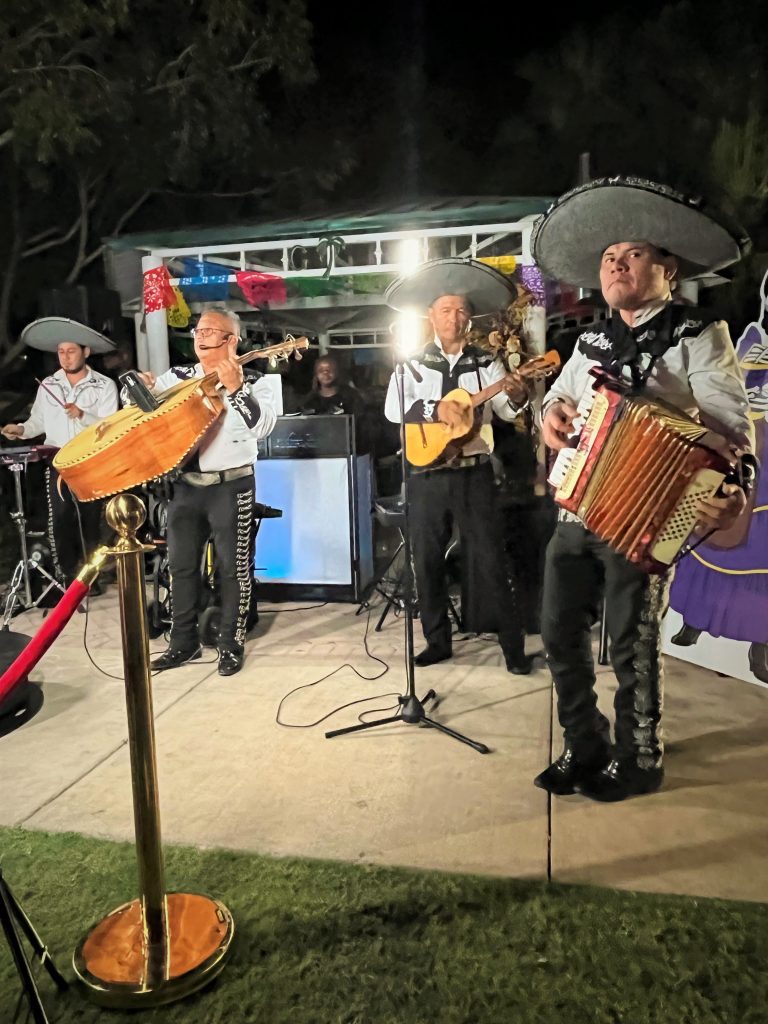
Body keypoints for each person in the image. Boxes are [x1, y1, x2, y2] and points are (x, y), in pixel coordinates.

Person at [531, 176, 756, 802]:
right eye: (609, 257)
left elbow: (731, 426)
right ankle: (584, 744)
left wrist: (734, 483)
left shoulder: (699, 332)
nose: (616, 265)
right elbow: (558, 400)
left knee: (634, 642)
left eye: (632, 254)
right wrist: (551, 417)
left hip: (648, 512)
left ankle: (639, 756)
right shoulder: (591, 340)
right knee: (558, 631)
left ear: (667, 269)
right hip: (579, 508)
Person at [383, 257, 533, 674]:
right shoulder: (411, 363)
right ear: (431, 316)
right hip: (426, 474)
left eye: (462, 310)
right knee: (426, 560)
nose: (455, 317)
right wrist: (436, 409)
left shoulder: (487, 364)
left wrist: (518, 395)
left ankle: (512, 648)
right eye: (446, 309)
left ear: (470, 319)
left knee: (491, 559)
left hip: (473, 472)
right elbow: (394, 409)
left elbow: (506, 411)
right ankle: (437, 641)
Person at [128, 307, 276, 677]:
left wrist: (237, 388)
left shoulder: (256, 380)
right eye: (199, 330)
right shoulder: (178, 377)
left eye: (211, 330)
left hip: (231, 485)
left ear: (232, 339)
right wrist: (139, 390)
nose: (201, 335)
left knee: (233, 569)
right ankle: (183, 643)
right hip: (185, 486)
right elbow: (143, 413)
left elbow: (263, 427)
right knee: (180, 567)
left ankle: (230, 644)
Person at [1, 318, 119, 585]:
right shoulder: (49, 384)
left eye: (71, 351)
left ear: (86, 352)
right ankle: (65, 578)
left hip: (91, 459)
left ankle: (90, 577)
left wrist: (83, 415)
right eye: (61, 352)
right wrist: (21, 429)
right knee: (60, 518)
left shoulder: (104, 385)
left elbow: (109, 426)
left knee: (90, 520)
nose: (65, 357)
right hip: (58, 460)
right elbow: (37, 422)